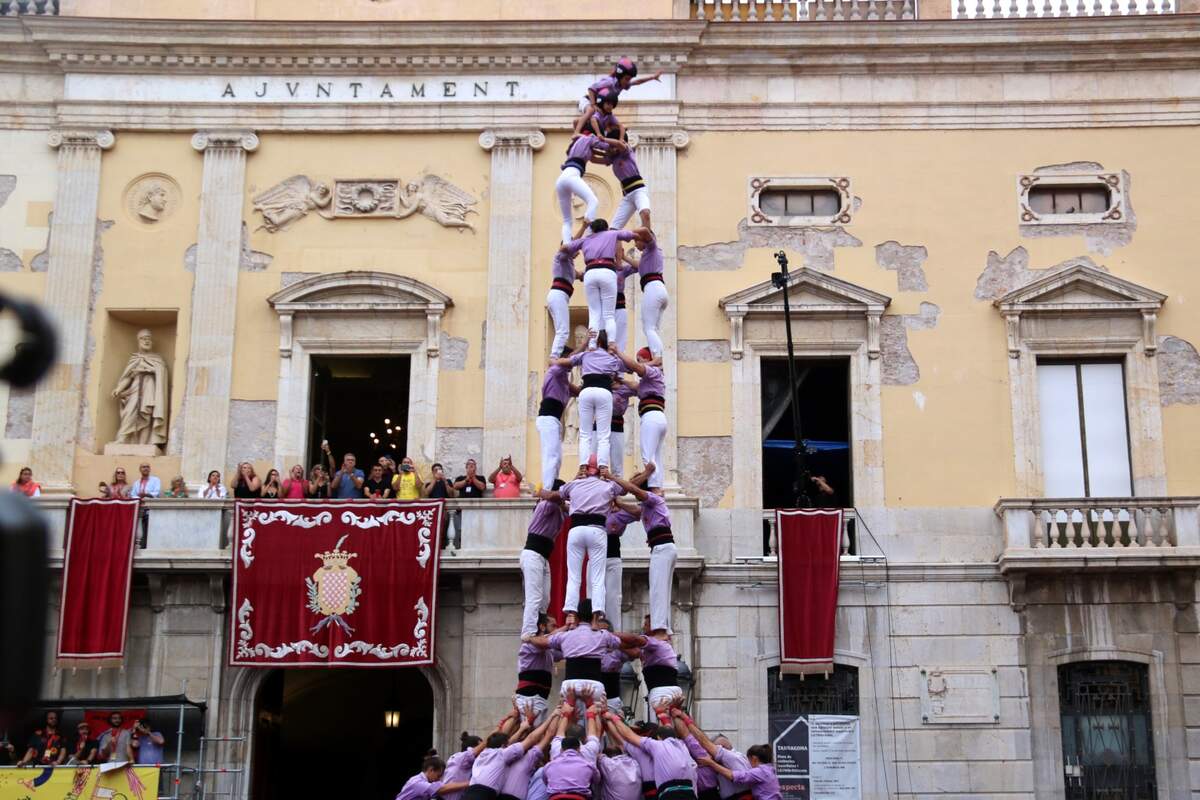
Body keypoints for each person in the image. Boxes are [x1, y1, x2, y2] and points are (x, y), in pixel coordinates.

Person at [536, 460, 622, 619]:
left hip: (576, 530)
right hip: (597, 530)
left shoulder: (574, 485)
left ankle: (570, 614)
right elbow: (626, 487)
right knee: (597, 578)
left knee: (573, 576)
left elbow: (554, 496)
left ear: (586, 470)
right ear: (599, 470)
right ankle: (596, 617)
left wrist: (540, 492)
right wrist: (610, 476)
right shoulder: (607, 486)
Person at [523, 599, 641, 707]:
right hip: (593, 686)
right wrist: (608, 633)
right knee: (595, 724)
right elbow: (633, 642)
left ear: (577, 616)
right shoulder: (603, 636)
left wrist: (529, 638)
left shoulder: (566, 635)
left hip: (571, 686)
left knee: (569, 723)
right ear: (595, 616)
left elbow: (543, 642)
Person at [550, 333, 629, 471]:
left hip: (586, 392)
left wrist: (583, 344)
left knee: (585, 433)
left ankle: (583, 466)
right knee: (604, 434)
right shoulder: (613, 358)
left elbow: (564, 361)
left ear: (597, 342)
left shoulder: (586, 355)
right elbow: (631, 366)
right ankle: (603, 466)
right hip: (604, 392)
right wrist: (617, 352)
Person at [611, 469, 675, 634]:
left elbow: (633, 490)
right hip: (661, 548)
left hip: (662, 548)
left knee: (657, 588)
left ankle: (660, 628)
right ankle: (663, 627)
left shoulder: (653, 499)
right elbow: (635, 511)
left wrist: (612, 478)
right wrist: (618, 503)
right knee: (660, 588)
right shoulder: (647, 506)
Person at [561, 221, 637, 347]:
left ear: (592, 229)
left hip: (590, 272)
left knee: (594, 313)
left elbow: (566, 248)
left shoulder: (586, 239)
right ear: (606, 228)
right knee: (608, 315)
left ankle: (591, 345)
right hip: (607, 271)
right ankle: (612, 343)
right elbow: (631, 235)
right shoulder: (611, 234)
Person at [464, 710, 555, 800]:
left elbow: (507, 741)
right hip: (483, 796)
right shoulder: (501, 755)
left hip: (470, 793)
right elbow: (531, 739)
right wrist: (552, 716)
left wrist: (521, 728)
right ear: (504, 746)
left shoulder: (482, 754)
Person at [605, 713, 697, 800]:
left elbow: (624, 738)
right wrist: (663, 715)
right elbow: (669, 733)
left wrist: (610, 720)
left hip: (662, 793)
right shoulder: (680, 746)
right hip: (685, 790)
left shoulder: (647, 749)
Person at [619, 347, 667, 492]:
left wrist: (617, 351)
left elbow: (637, 368)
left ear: (648, 359)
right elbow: (635, 386)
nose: (639, 362)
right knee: (656, 456)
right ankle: (656, 487)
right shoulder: (649, 381)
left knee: (648, 456)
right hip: (658, 418)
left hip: (651, 417)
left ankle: (654, 488)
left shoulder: (654, 371)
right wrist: (620, 380)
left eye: (640, 359)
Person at [555, 134, 617, 245]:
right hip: (572, 176)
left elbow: (595, 157)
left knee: (567, 221)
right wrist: (616, 146)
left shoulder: (577, 146)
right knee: (593, 201)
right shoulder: (589, 138)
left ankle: (566, 245)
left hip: (561, 179)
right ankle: (590, 234)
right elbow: (605, 146)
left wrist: (608, 159)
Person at [676, 712, 752, 800]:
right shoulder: (730, 759)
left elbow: (705, 743)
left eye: (712, 751)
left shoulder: (732, 758)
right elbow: (703, 740)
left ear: (722, 748)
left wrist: (711, 763)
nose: (710, 754)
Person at [520, 493, 566, 637]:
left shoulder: (559, 510)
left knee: (545, 599)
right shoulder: (545, 505)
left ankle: (540, 628)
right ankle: (529, 632)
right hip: (533, 554)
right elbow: (556, 499)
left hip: (543, 558)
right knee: (534, 597)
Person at [536, 347, 581, 491]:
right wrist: (585, 344)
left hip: (554, 420)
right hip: (548, 417)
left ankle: (552, 486)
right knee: (551, 455)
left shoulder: (563, 380)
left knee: (557, 458)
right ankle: (547, 490)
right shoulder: (555, 371)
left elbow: (579, 391)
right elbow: (572, 359)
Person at [543, 701, 603, 800]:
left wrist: (565, 713)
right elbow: (594, 734)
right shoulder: (589, 758)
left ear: (562, 748)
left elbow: (558, 734)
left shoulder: (555, 753)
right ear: (580, 746)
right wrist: (591, 714)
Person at [497, 709, 559, 800]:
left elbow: (508, 740)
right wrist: (554, 715)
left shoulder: (505, 756)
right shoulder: (526, 759)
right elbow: (549, 735)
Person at [575, 57, 664, 115]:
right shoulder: (609, 82)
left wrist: (652, 77)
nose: (628, 81)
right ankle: (577, 131)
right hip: (587, 101)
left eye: (629, 79)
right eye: (626, 79)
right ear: (620, 76)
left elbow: (637, 82)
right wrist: (593, 105)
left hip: (600, 106)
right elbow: (591, 88)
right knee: (591, 111)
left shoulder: (621, 85)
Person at [603, 495, 641, 630]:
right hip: (596, 557)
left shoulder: (618, 514)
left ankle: (614, 630)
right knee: (595, 595)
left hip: (612, 555)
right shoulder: (595, 512)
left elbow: (638, 512)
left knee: (614, 598)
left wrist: (621, 504)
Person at [628, 231, 668, 358]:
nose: (635, 244)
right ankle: (657, 356)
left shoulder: (652, 247)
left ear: (643, 240)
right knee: (654, 329)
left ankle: (657, 358)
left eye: (636, 240)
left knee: (648, 328)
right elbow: (639, 266)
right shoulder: (649, 255)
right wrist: (624, 257)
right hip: (659, 288)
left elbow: (646, 231)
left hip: (652, 288)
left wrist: (627, 233)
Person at [605, 130, 651, 234]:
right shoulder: (614, 159)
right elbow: (594, 159)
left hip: (639, 190)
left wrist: (601, 138)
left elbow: (618, 144)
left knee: (645, 213)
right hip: (627, 196)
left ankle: (649, 243)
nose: (613, 148)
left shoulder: (627, 152)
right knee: (613, 230)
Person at [695, 746, 780, 800]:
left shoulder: (760, 771)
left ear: (754, 759)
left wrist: (711, 763)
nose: (747, 764)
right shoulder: (769, 770)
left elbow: (734, 776)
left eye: (748, 760)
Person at [515, 614, 556, 724]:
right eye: (553, 626)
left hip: (540, 698)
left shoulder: (548, 649)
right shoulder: (529, 644)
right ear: (542, 627)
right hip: (530, 698)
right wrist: (566, 628)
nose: (555, 629)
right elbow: (551, 639)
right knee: (530, 733)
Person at [547, 248, 583, 359]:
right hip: (558, 295)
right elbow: (567, 250)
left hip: (559, 297)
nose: (578, 251)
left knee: (562, 330)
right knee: (563, 331)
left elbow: (580, 275)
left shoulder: (569, 265)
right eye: (576, 248)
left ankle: (560, 351)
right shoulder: (561, 257)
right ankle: (554, 357)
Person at [396, 753, 472, 800]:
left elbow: (444, 787)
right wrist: (470, 783)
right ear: (431, 770)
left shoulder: (424, 781)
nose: (438, 779)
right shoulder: (418, 782)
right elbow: (442, 789)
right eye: (438, 776)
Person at [450, 459, 487, 550]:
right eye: (469, 466)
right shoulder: (460, 478)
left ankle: (476, 546)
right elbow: (455, 486)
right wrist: (466, 479)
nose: (471, 467)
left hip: (476, 510)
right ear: (466, 467)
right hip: (462, 510)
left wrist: (473, 477)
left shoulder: (481, 478)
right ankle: (460, 547)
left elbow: (482, 487)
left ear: (475, 467)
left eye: (473, 466)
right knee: (460, 529)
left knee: (475, 529)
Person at [608, 378, 636, 478]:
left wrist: (621, 382)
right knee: (595, 459)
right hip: (598, 425)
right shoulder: (600, 387)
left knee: (617, 462)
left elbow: (637, 388)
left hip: (617, 424)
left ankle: (617, 487)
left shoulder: (624, 389)